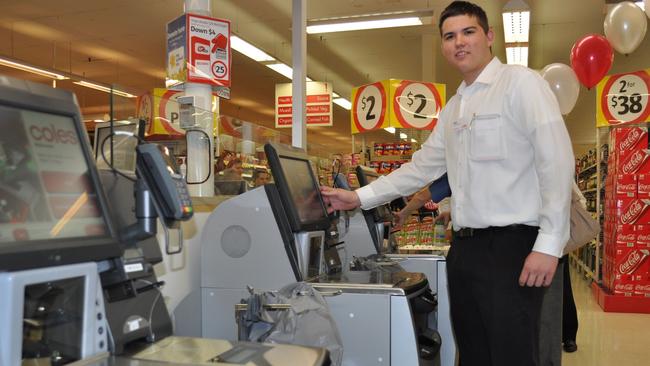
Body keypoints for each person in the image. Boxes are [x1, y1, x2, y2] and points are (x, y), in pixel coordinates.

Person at [320, 2, 574, 365]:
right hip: (465, 250)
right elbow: (421, 167)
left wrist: (549, 243)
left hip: (512, 248)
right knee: (473, 353)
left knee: (511, 354)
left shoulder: (521, 84)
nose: (459, 43)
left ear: (489, 36)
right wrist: (358, 197)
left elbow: (557, 161)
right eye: (450, 36)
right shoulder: (455, 107)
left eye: (468, 32)